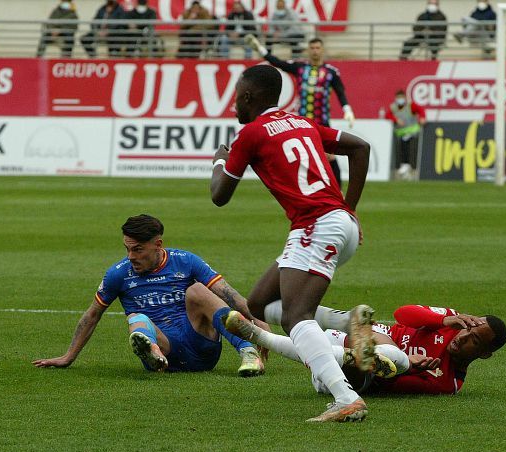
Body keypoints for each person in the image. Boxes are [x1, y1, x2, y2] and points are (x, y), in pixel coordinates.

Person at [210, 65, 374, 423]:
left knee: (295, 316)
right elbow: (361, 147)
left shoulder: (250, 134)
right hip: (338, 224)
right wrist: (351, 208)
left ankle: (345, 397)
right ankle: (348, 324)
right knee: (258, 302)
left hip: (315, 226)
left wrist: (220, 160)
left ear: (249, 97)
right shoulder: (302, 123)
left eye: (237, 97)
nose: (234, 104)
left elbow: (219, 195)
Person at [33, 214, 266, 376]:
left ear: (158, 245)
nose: (131, 256)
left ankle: (248, 352)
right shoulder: (118, 274)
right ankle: (152, 353)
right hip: (165, 352)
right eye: (127, 249)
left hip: (200, 345)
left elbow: (228, 293)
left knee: (198, 290)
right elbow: (92, 315)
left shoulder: (185, 261)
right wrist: (68, 357)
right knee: (136, 317)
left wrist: (258, 323)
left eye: (137, 249)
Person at [225, 302, 506, 396]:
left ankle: (261, 334)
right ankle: (266, 312)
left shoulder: (447, 382)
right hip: (365, 335)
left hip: (350, 377)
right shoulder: (451, 321)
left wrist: (408, 366)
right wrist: (443, 318)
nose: (462, 336)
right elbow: (403, 314)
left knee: (394, 360)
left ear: (484, 354)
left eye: (474, 340)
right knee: (386, 348)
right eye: (468, 328)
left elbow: (389, 387)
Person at [245, 35, 356, 189]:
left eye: (318, 48)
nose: (315, 51)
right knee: (303, 156)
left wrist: (347, 109)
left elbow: (340, 92)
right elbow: (279, 63)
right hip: (301, 123)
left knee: (329, 157)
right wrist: (261, 50)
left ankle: (338, 191)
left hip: (322, 122)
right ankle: (305, 188)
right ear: (308, 51)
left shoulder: (331, 72)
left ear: (322, 50)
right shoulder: (300, 68)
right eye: (312, 48)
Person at [385, 89, 426, 179]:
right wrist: (396, 120)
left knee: (412, 152)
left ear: (405, 98)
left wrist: (422, 118)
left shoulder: (411, 106)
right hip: (400, 135)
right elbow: (387, 116)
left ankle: (413, 170)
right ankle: (402, 170)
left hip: (412, 133)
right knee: (401, 153)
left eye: (402, 98)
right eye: (398, 98)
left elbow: (421, 110)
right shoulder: (393, 107)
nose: (400, 100)